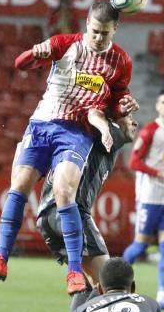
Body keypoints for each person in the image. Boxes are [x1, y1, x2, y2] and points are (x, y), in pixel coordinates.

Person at [0, 0, 133, 295]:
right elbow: (20, 64)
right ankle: (1, 258)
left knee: (65, 191)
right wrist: (33, 53)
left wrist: (124, 109)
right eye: (94, 31)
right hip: (41, 124)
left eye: (105, 33)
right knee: (20, 184)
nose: (98, 38)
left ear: (116, 29)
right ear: (87, 24)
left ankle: (74, 272)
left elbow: (115, 100)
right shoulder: (66, 44)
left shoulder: (121, 62)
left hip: (76, 130)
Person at [37, 109, 139, 290]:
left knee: (85, 289)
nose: (135, 123)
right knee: (110, 285)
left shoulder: (88, 139)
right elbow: (95, 111)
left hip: (49, 214)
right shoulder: (107, 132)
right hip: (70, 214)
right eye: (130, 117)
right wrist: (115, 105)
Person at [122, 90, 164, 310]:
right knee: (139, 246)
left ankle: (163, 294)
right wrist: (161, 174)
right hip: (149, 196)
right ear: (158, 107)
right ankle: (115, 287)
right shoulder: (150, 131)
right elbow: (134, 162)